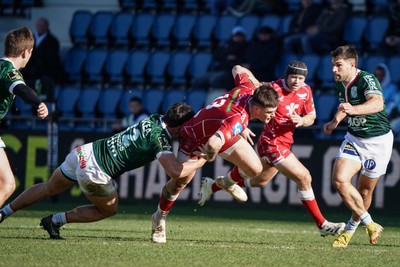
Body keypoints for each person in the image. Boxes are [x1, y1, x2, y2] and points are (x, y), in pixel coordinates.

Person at [0, 103, 206, 239]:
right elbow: (175, 171)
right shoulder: (160, 138)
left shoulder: (154, 118)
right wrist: (202, 160)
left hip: (84, 152)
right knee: (109, 210)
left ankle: (4, 211)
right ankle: (55, 220)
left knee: (48, 188)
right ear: (179, 127)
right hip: (95, 171)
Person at [198, 61, 346, 237]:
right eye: (293, 77)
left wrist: (302, 120)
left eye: (300, 78)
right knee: (304, 177)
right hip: (271, 141)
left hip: (285, 141)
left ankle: (214, 186)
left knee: (260, 182)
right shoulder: (271, 88)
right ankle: (322, 225)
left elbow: (312, 117)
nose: (296, 81)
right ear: (286, 76)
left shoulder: (305, 90)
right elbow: (247, 99)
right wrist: (241, 124)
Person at [151, 65, 280, 243]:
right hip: (194, 137)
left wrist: (258, 86)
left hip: (221, 131)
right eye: (270, 112)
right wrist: (209, 158)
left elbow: (236, 68)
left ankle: (225, 183)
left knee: (255, 168)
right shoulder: (237, 119)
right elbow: (213, 143)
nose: (272, 116)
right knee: (179, 182)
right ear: (256, 109)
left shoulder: (249, 89)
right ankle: (159, 217)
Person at [323, 45, 393, 248]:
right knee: (339, 180)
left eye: (338, 65)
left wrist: (353, 109)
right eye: (332, 66)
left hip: (378, 142)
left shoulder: (367, 79)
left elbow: (377, 104)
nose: (334, 70)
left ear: (352, 64)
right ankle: (370, 223)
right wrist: (335, 121)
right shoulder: (340, 83)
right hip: (354, 139)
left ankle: (349, 231)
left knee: (364, 193)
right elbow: (345, 106)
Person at [0, 27, 49, 211]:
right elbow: (22, 89)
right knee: (7, 184)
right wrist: (39, 103)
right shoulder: (8, 71)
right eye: (31, 53)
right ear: (26, 52)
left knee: (6, 183)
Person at [192, 26, 248, 91]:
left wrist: (235, 59)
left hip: (229, 72)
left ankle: (215, 98)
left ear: (244, 37)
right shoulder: (226, 45)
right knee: (197, 81)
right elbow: (216, 55)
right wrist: (227, 56)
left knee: (215, 80)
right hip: (218, 69)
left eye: (240, 36)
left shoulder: (247, 47)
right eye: (236, 35)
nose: (238, 38)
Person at [284, 0, 349, 55]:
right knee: (288, 40)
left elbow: (336, 28)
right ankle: (292, 60)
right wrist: (316, 28)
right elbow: (318, 22)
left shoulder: (343, 10)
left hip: (331, 37)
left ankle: (309, 61)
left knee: (305, 39)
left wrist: (319, 29)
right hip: (320, 34)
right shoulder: (326, 9)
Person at [20, 17, 62, 101]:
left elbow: (50, 60)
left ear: (47, 27)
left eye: (43, 26)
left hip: (46, 71)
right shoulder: (30, 40)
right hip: (30, 70)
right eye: (39, 25)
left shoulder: (53, 41)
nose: (41, 27)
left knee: (43, 80)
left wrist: (36, 69)